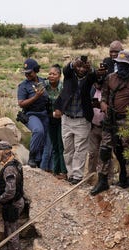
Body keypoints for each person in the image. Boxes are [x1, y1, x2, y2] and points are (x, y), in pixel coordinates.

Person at [92, 52, 129, 195]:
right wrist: (103, 103)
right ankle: (102, 181)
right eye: (118, 64)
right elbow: (104, 95)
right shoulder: (110, 78)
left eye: (124, 65)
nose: (121, 67)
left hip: (128, 121)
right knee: (105, 150)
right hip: (110, 120)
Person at [55, 56, 94, 184]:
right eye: (79, 66)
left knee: (80, 149)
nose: (81, 69)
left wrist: (90, 67)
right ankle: (71, 173)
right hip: (67, 118)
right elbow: (66, 69)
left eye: (84, 67)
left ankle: (77, 176)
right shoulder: (69, 75)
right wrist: (73, 63)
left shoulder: (89, 78)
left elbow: (94, 75)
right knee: (68, 148)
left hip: (82, 119)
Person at [0, 141, 28, 250]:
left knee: (12, 234)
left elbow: (10, 191)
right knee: (8, 232)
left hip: (12, 204)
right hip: (12, 203)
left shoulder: (9, 168)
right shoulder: (14, 164)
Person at [17, 58, 49, 169]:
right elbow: (21, 103)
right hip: (31, 114)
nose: (27, 75)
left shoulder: (44, 82)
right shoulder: (23, 86)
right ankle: (32, 156)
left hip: (45, 113)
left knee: (46, 138)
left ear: (36, 70)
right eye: (25, 73)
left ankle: (43, 163)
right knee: (38, 130)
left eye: (29, 73)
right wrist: (35, 97)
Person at [42, 65, 66, 177]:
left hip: (62, 119)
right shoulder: (45, 85)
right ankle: (55, 170)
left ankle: (64, 171)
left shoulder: (63, 87)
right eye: (50, 73)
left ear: (59, 76)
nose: (51, 76)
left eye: (54, 74)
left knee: (61, 145)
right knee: (54, 145)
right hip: (50, 118)